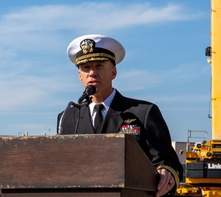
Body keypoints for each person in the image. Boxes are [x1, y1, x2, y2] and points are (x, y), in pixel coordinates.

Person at [57, 34, 183, 197]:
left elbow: (168, 162)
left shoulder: (143, 112)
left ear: (113, 72)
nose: (92, 73)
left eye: (99, 66)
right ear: (80, 76)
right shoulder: (68, 117)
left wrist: (167, 172)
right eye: (86, 68)